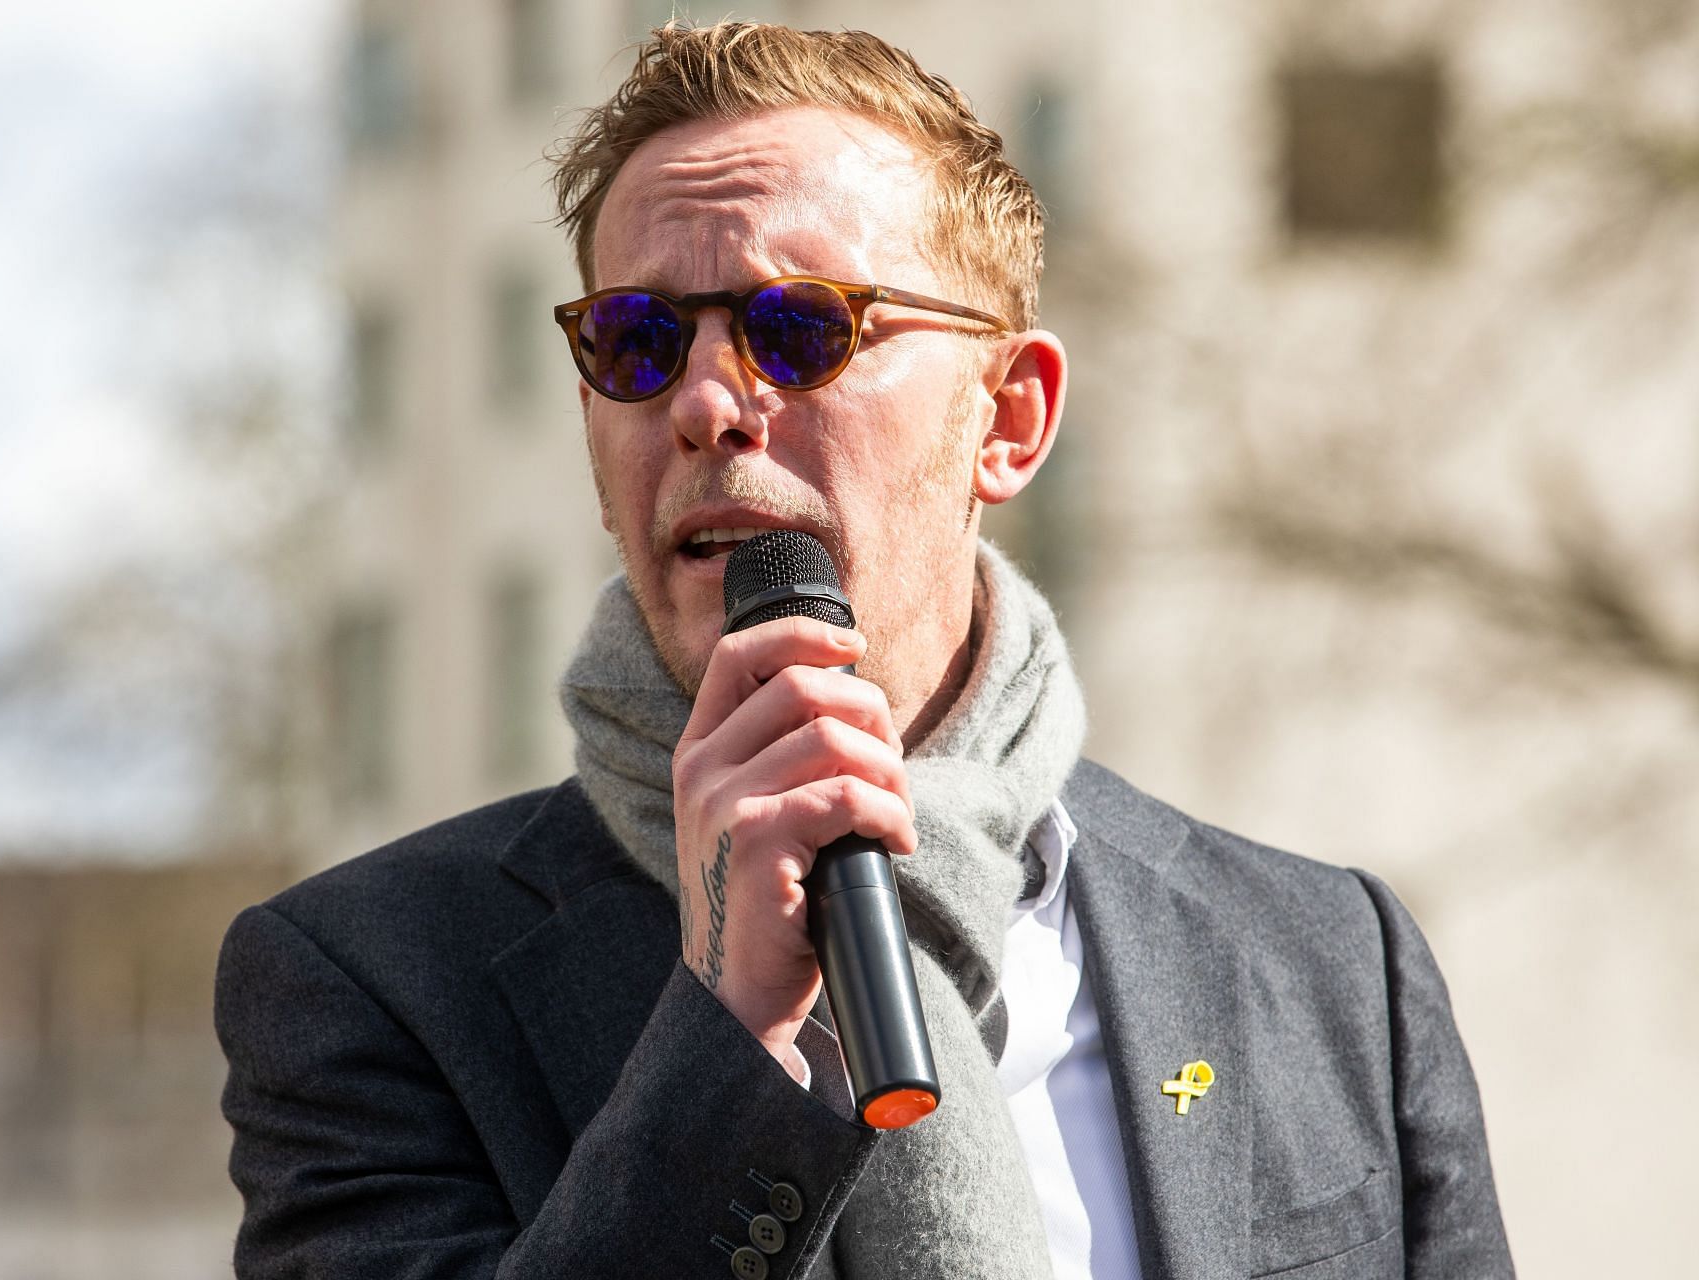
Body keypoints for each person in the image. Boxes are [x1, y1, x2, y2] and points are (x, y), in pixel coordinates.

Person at [214, 21, 1513, 1280]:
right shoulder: (369, 987)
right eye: (639, 343)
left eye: (800, 329)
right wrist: (728, 1039)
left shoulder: (1328, 966)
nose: (712, 404)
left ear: (1008, 416)